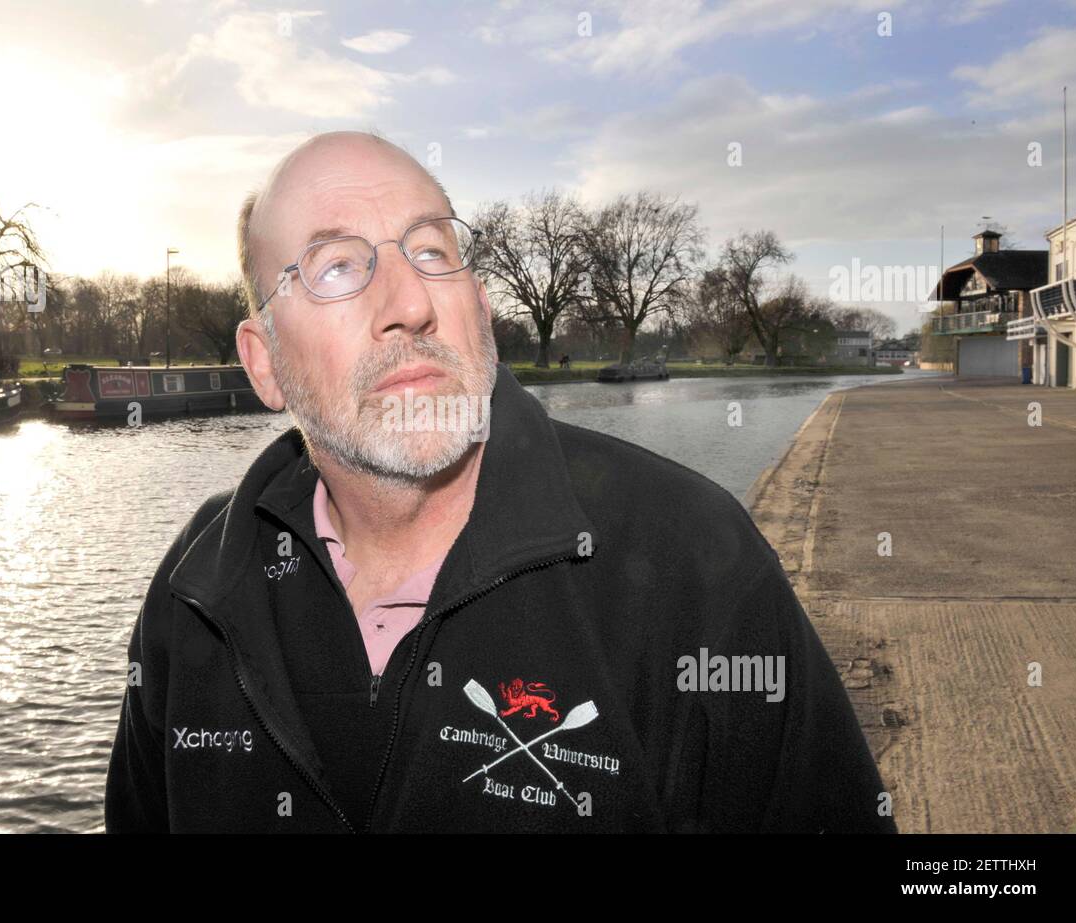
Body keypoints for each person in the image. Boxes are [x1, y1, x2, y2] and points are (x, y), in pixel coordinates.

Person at [104, 130, 895, 834]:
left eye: (432, 252)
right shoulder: (194, 588)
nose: (409, 302)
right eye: (337, 265)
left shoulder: (699, 564)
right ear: (264, 361)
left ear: (479, 309)